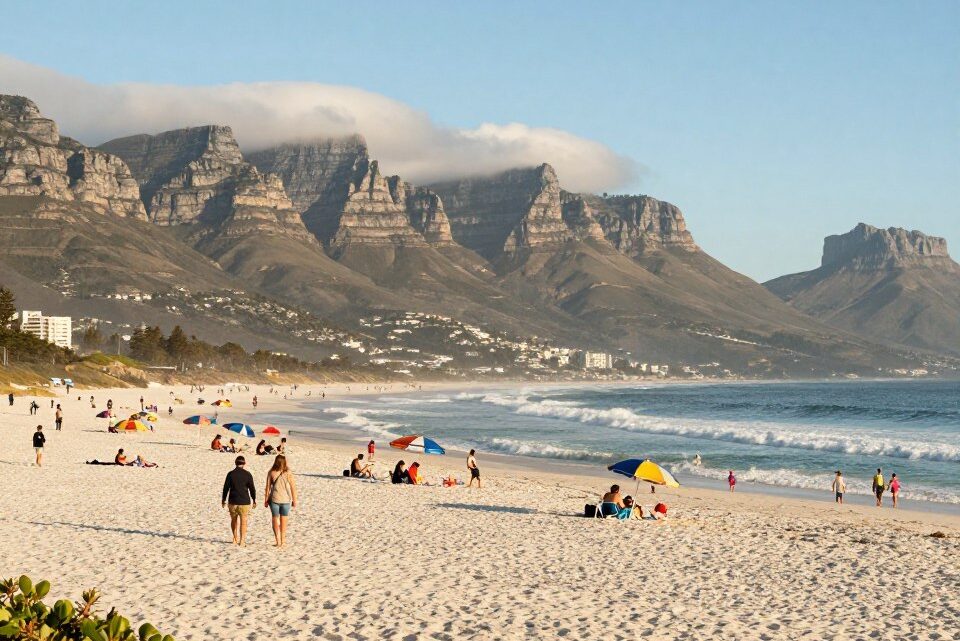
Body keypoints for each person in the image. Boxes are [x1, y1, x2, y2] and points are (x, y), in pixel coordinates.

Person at [222, 456, 256, 546]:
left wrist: (223, 499)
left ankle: (235, 538)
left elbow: (226, 488)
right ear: (244, 463)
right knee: (243, 522)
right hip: (244, 502)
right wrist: (254, 499)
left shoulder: (230, 474)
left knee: (234, 520)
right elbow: (252, 488)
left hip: (233, 501)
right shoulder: (247, 474)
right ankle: (242, 541)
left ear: (235, 463)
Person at [264, 455, 297, 548]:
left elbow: (267, 488)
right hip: (286, 500)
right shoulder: (288, 472)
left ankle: (278, 541)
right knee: (284, 521)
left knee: (275, 520)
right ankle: (283, 541)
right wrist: (294, 500)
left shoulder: (271, 472)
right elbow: (293, 487)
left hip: (274, 499)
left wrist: (266, 500)